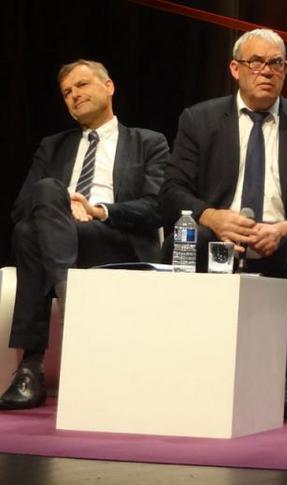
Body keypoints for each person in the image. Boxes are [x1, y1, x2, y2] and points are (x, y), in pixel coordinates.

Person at [159, 29, 287, 419]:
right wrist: (212, 217)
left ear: (286, 70)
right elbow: (171, 191)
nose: (266, 71)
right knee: (188, 239)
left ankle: (284, 381)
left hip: (276, 237)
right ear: (235, 68)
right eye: (256, 62)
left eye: (276, 63)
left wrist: (285, 228)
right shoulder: (201, 119)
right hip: (217, 234)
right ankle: (182, 370)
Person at [0, 59, 169, 410]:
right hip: (59, 234)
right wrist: (62, 205)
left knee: (30, 235)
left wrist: (98, 210)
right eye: (66, 93)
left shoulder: (148, 142)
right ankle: (67, 291)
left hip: (115, 239)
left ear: (108, 87)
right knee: (42, 201)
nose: (74, 96)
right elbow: (19, 208)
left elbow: (157, 207)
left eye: (82, 85)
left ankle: (31, 369)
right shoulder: (53, 146)